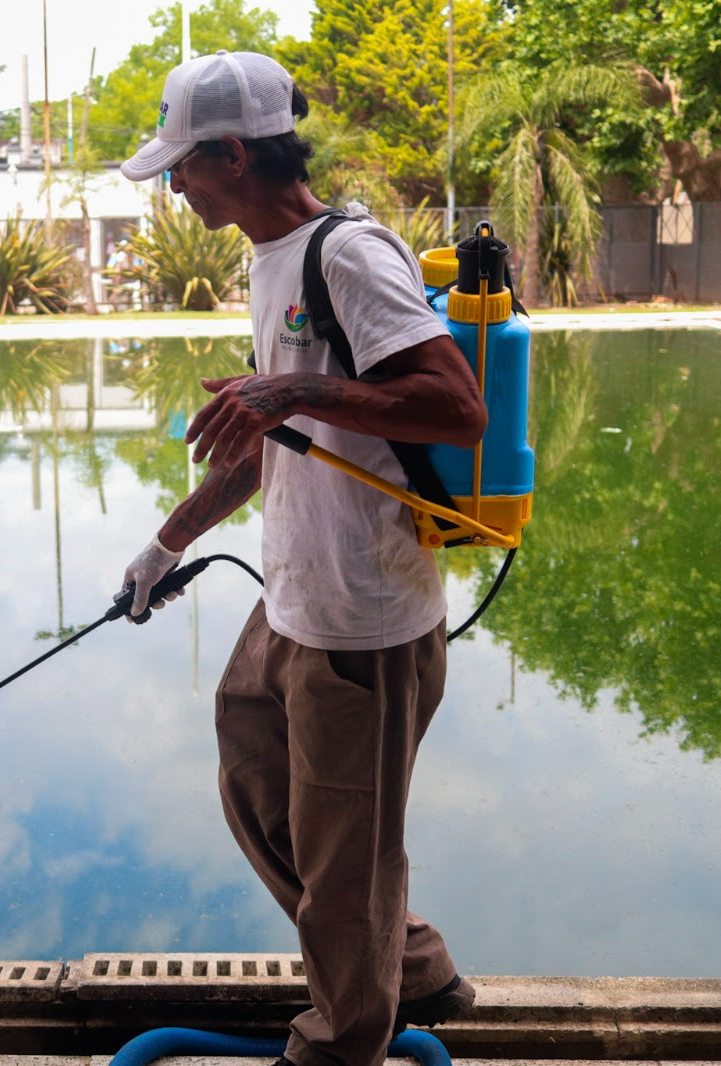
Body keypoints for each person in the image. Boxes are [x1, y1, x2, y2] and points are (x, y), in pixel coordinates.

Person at [114, 50, 485, 1066]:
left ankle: (339, 1043)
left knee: (343, 869)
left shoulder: (349, 255)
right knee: (252, 776)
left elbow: (460, 411)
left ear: (232, 154)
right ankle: (404, 960)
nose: (175, 186)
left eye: (183, 166)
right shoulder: (266, 258)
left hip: (362, 621)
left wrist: (294, 392)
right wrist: (169, 539)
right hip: (292, 599)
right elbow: (276, 437)